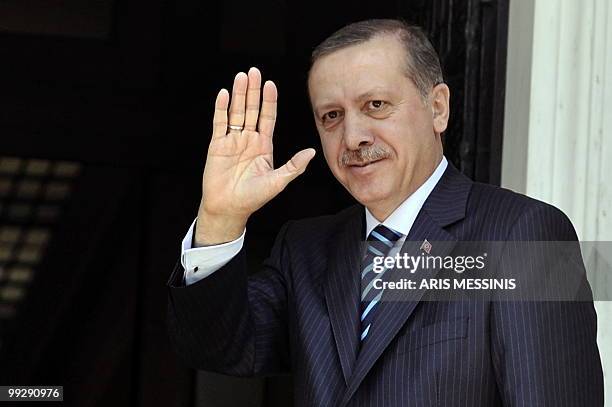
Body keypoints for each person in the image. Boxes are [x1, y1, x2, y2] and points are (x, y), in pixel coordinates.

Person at [167, 19, 603, 406]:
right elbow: (217, 348)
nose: (353, 136)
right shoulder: (305, 251)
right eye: (332, 116)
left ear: (438, 108)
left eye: (375, 105)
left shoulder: (525, 234)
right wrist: (220, 218)